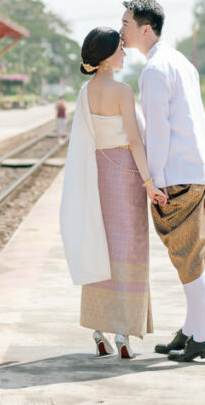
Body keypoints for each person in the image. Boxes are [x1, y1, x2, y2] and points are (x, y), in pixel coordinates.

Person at [122, 0, 205, 363]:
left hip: (178, 175)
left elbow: (158, 133)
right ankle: (194, 329)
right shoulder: (179, 61)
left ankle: (204, 336)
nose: (122, 29)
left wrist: (154, 182)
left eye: (127, 23)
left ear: (145, 28)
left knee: (187, 256)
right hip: (199, 171)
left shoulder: (153, 71)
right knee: (194, 256)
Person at [59, 27, 167, 360]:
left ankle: (98, 331)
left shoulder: (84, 93)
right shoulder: (122, 91)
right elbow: (135, 140)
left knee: (100, 245)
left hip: (98, 174)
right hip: (125, 172)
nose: (125, 54)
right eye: (120, 49)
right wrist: (149, 182)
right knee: (129, 249)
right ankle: (122, 333)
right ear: (107, 56)